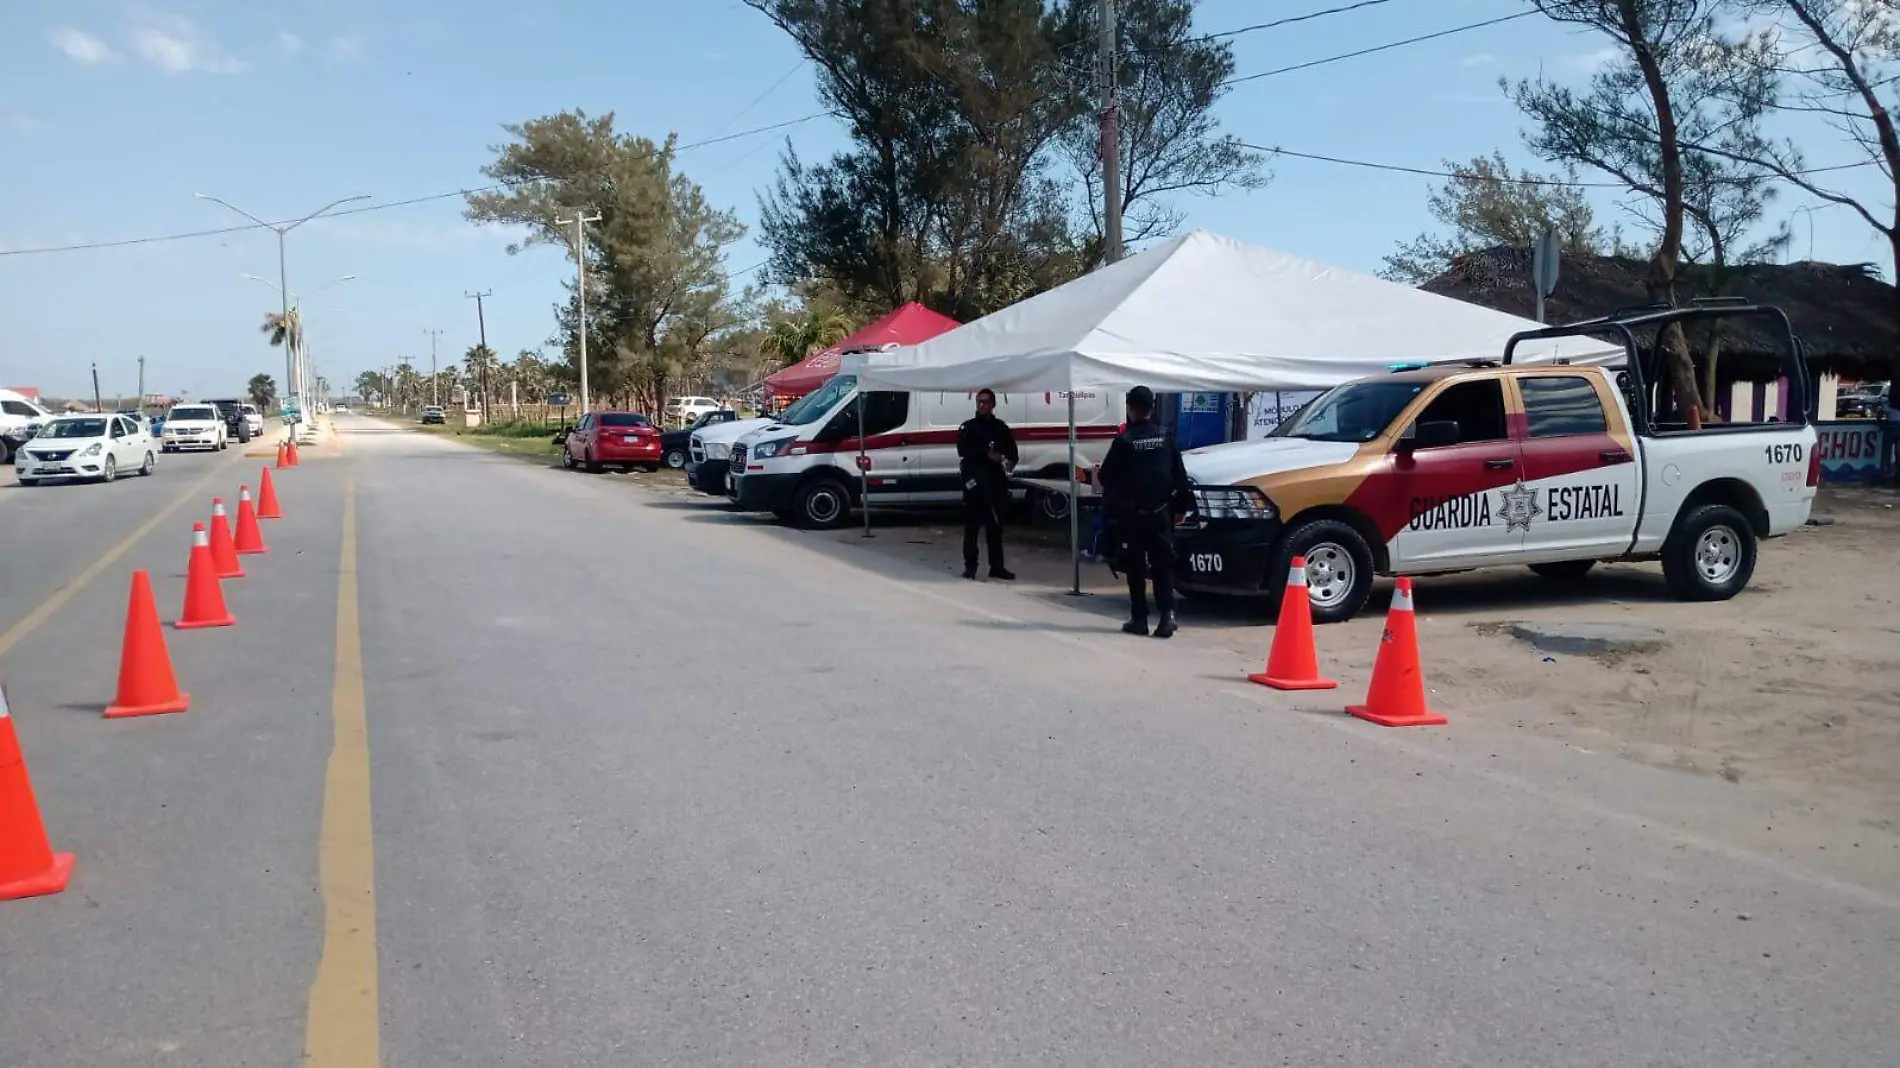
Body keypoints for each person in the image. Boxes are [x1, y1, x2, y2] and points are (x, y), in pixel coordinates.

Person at [1098, 386, 1193, 637]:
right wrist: (1183, 507)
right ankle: (1167, 616)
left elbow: (1106, 476)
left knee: (1136, 567)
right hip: (1162, 512)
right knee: (1163, 565)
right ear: (1152, 408)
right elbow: (1180, 476)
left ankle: (1139, 619)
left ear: (1130, 408)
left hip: (1133, 514)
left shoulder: (1124, 442)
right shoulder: (1165, 437)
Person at [957, 388, 1018, 580]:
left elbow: (1012, 452)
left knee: (995, 528)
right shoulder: (968, 428)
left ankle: (997, 566)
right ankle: (970, 567)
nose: (982, 405)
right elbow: (963, 451)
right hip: (974, 484)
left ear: (993, 404)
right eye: (979, 402)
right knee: (971, 530)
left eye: (986, 402)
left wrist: (1007, 460)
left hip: (994, 485)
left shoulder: (1000, 428)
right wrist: (986, 454)